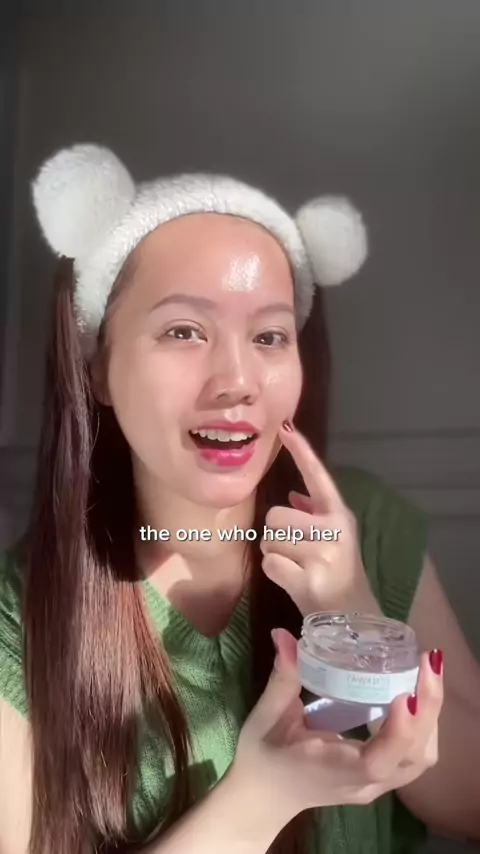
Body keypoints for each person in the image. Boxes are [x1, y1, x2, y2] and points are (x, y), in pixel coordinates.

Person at [0, 143, 476, 854]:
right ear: (97, 366)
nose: (238, 380)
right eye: (184, 331)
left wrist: (356, 616)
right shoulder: (18, 615)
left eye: (269, 336)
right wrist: (262, 797)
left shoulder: (363, 526)